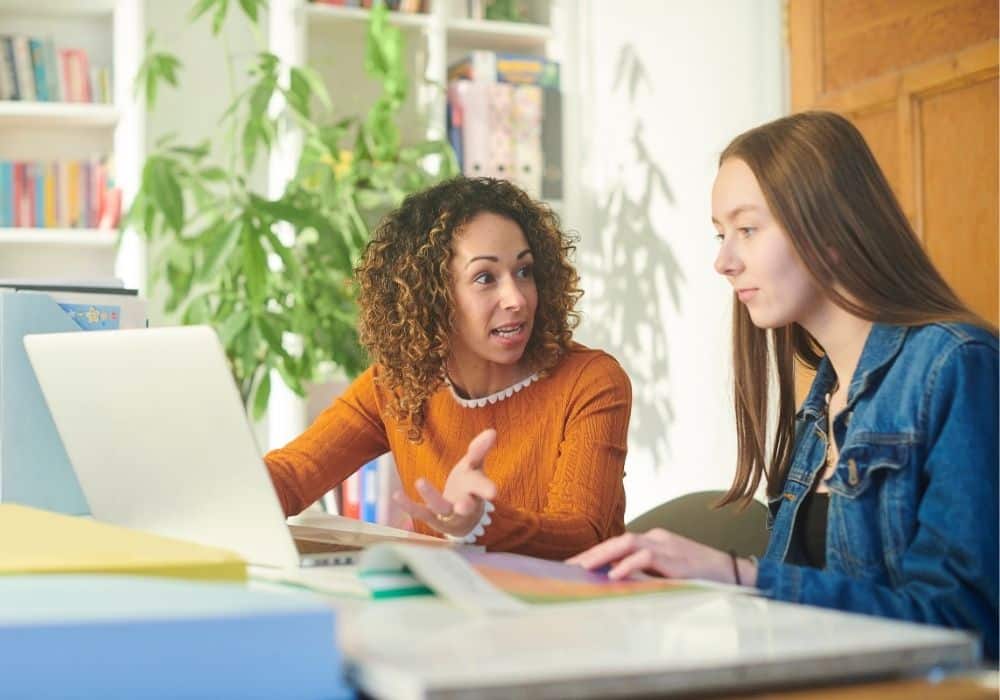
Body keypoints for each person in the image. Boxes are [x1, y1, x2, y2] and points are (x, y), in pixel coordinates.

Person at [569, 111, 998, 659]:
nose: (723, 261)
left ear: (832, 228)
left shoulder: (958, 366)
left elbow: (965, 626)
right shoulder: (821, 405)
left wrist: (737, 574)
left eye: (746, 229)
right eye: (721, 234)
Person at [265, 176, 631, 559]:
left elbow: (581, 534)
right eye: (486, 278)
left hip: (577, 612)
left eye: (524, 271)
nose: (517, 298)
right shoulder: (398, 385)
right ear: (433, 297)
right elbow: (292, 477)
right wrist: (216, 490)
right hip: (455, 613)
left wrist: (481, 522)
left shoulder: (590, 381)